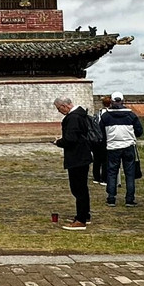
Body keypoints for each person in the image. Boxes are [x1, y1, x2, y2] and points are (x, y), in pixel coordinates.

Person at [53, 97, 92, 230]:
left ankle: (81, 220)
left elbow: (71, 139)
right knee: (82, 188)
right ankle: (84, 214)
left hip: (77, 157)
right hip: (82, 155)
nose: (59, 112)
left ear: (65, 106)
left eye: (59, 109)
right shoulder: (80, 114)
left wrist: (58, 142)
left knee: (78, 188)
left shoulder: (73, 118)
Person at [100, 91, 143, 206]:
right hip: (128, 146)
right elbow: (139, 131)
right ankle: (129, 199)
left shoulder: (106, 116)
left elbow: (101, 133)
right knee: (130, 174)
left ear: (112, 102)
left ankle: (111, 198)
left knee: (112, 172)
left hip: (112, 147)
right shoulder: (131, 115)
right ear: (123, 101)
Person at [91, 95, 111, 185]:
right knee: (105, 160)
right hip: (106, 138)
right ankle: (104, 178)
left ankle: (96, 177)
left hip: (96, 139)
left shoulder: (97, 113)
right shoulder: (110, 114)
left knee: (96, 159)